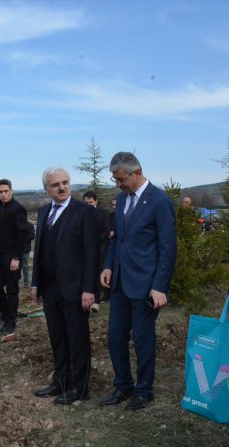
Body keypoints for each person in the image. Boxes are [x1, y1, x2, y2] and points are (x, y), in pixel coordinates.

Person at [100, 151, 176, 411]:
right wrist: (108, 266)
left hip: (145, 285)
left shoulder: (160, 201)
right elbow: (117, 238)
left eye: (121, 179)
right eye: (115, 180)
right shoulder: (121, 200)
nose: (118, 184)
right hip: (120, 282)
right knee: (114, 337)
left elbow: (168, 247)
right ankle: (123, 386)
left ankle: (144, 391)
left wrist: (160, 286)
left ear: (137, 172)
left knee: (143, 341)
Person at [31, 167, 98, 405]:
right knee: (57, 337)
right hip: (49, 288)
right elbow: (39, 249)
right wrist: (35, 282)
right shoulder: (43, 212)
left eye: (65, 182)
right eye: (55, 184)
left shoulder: (83, 212)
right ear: (46, 189)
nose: (61, 187)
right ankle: (60, 380)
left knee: (77, 339)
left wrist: (89, 289)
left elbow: (92, 253)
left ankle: (80, 387)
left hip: (76, 288)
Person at [0, 179, 28, 337]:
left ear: (11, 190)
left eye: (6, 191)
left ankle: (10, 322)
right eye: (0, 191)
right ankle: (8, 315)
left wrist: (17, 258)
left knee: (12, 291)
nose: (3, 194)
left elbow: (23, 235)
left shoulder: (19, 209)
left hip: (12, 256)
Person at [82, 190, 111, 307]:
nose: (88, 205)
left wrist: (93, 241)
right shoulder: (80, 214)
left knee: (98, 272)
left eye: (90, 202)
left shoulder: (103, 213)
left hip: (100, 249)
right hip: (84, 249)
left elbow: (107, 230)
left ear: (96, 201)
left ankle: (97, 299)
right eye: (86, 203)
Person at [21, 221, 35, 288]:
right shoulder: (15, 224)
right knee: (16, 267)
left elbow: (33, 236)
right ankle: (16, 283)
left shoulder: (30, 225)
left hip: (26, 249)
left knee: (25, 267)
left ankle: (26, 284)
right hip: (16, 250)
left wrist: (24, 236)